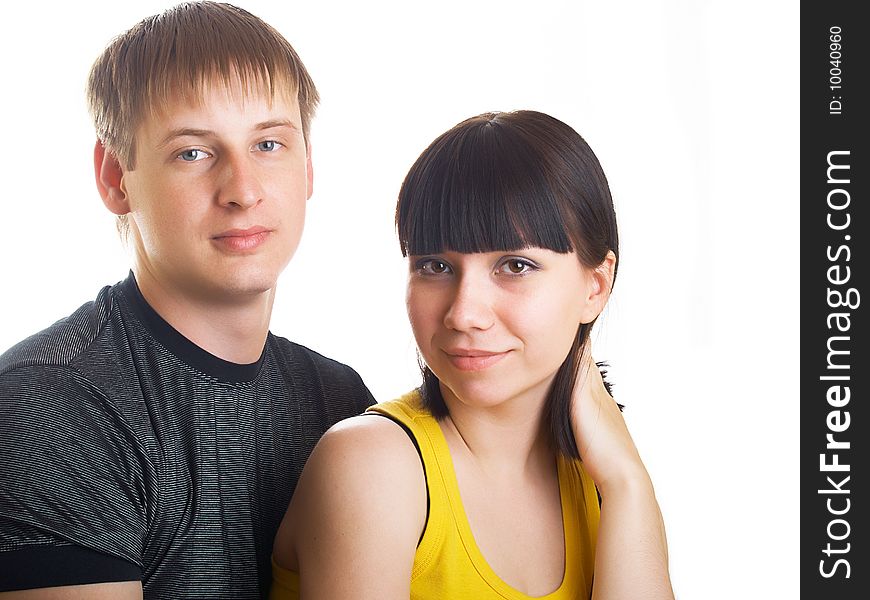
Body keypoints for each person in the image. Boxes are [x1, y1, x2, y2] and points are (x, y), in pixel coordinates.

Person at [0, 2, 374, 598]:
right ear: (115, 177)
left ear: (309, 167)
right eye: (193, 152)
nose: (243, 191)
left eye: (270, 144)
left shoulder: (337, 400)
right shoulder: (49, 404)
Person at [271, 110, 675, 599]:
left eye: (515, 265)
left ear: (596, 284)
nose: (464, 314)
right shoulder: (374, 467)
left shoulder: (601, 480)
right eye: (436, 266)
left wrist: (628, 484)